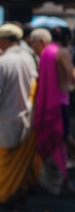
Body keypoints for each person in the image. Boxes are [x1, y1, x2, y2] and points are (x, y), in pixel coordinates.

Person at [0, 23, 40, 207]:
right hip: (25, 116)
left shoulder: (2, 62)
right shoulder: (28, 58)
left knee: (4, 163)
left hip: (4, 119)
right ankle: (18, 191)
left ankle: (6, 196)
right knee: (18, 162)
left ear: (5, 40)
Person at [33, 27, 74, 195]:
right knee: (63, 139)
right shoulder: (62, 52)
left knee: (60, 139)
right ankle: (62, 178)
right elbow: (71, 76)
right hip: (61, 102)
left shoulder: (46, 52)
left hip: (47, 102)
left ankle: (55, 179)